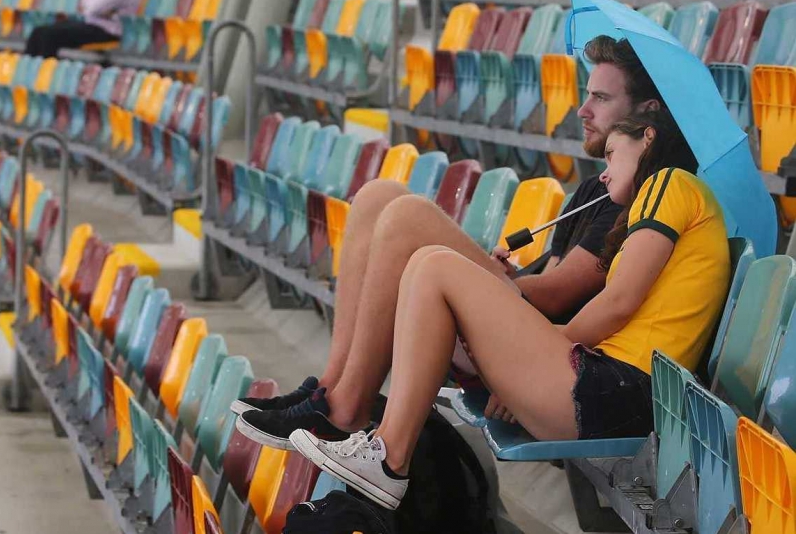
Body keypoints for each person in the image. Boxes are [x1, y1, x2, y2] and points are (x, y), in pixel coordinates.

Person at [288, 109, 731, 511]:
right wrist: (522, 355)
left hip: (617, 390)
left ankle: (388, 457)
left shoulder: (669, 182)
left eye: (612, 154)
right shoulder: (672, 197)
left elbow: (618, 303)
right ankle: (385, 450)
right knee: (429, 263)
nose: (603, 173)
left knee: (437, 265)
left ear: (648, 138)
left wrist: (535, 355)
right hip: (615, 388)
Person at [231, 36, 664, 446]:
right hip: (517, 332)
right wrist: (502, 274)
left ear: (646, 113)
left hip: (535, 360)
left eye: (602, 99)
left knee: (409, 216)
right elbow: (545, 280)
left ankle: (347, 409)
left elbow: (555, 295)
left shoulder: (639, 196)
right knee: (376, 197)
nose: (583, 110)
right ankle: (329, 388)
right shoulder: (594, 190)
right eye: (587, 95)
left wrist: (481, 276)